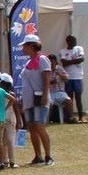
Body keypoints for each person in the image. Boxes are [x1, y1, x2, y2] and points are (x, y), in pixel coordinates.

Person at [17, 35, 55, 165]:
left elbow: (46, 78)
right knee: (32, 127)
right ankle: (37, 156)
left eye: (25, 46)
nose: (23, 48)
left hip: (39, 98)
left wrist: (45, 95)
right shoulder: (28, 62)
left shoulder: (42, 59)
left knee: (39, 126)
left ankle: (48, 156)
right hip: (29, 100)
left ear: (31, 46)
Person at [58, 35, 87, 122]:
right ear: (68, 41)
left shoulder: (79, 48)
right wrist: (75, 61)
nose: (75, 42)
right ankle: (70, 117)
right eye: (73, 41)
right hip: (68, 78)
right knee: (69, 99)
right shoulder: (63, 51)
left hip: (78, 77)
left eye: (75, 40)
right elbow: (63, 63)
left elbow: (81, 59)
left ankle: (80, 117)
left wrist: (69, 62)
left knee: (78, 98)